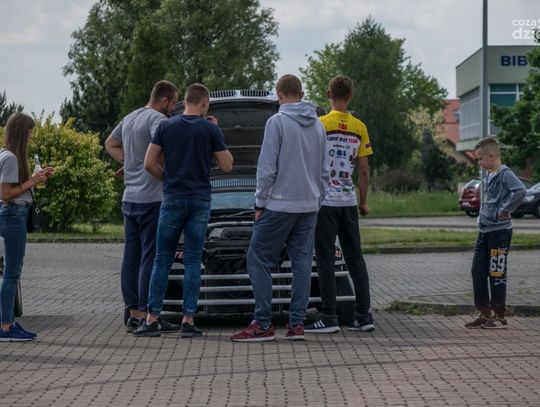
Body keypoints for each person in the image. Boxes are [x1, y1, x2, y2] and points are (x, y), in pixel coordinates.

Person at [231, 74, 328, 342]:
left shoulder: (277, 122)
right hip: (309, 205)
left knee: (257, 258)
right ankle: (296, 324)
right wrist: (317, 200)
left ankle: (263, 323)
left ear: (279, 94)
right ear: (301, 93)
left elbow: (267, 168)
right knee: (302, 264)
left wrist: (260, 203)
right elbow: (324, 171)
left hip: (279, 204)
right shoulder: (319, 126)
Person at [134, 83, 233, 338]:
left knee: (162, 260)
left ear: (186, 101)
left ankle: (151, 319)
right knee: (192, 261)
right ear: (204, 103)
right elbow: (227, 165)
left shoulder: (166, 126)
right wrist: (216, 132)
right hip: (199, 201)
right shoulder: (209, 129)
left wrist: (168, 179)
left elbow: (149, 163)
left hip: (172, 199)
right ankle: (188, 320)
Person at [105, 80, 180, 334]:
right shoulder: (158, 120)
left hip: (130, 198)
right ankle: (149, 314)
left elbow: (110, 143)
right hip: (152, 198)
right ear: (164, 100)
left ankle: (133, 314)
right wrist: (168, 176)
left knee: (131, 257)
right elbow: (165, 150)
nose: (173, 108)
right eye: (173, 103)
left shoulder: (130, 117)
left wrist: (129, 162)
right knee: (150, 257)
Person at [304, 75, 375, 334]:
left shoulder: (320, 124)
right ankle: (363, 316)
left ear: (328, 94)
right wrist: (363, 202)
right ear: (351, 95)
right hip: (348, 201)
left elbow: (311, 162)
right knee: (355, 258)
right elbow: (364, 170)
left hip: (325, 202)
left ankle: (329, 316)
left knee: (325, 259)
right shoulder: (359, 126)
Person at [0, 113, 53, 341]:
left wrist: (33, 178)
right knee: (12, 273)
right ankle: (5, 326)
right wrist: (33, 181)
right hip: (13, 215)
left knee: (10, 272)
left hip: (10, 215)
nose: (31, 136)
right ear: (22, 133)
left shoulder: (4, 155)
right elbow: (6, 193)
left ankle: (7, 322)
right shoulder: (11, 158)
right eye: (30, 132)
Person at [465, 137, 526, 329]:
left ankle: (499, 315)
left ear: (491, 156)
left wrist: (504, 209)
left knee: (496, 272)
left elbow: (520, 191)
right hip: (484, 231)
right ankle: (485, 313)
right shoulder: (488, 175)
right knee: (477, 271)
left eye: (480, 159)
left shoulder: (505, 173)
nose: (479, 163)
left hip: (499, 232)